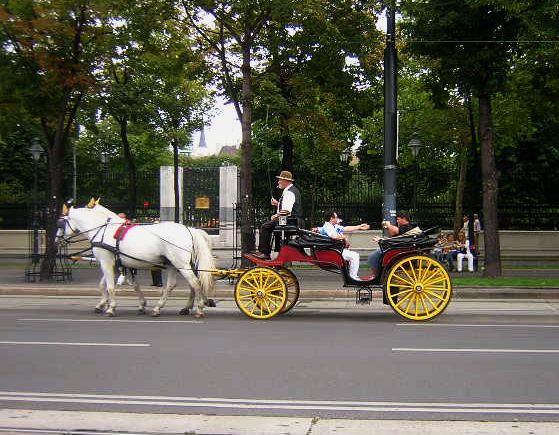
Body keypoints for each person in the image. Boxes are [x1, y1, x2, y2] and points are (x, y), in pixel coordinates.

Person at [252, 170, 303, 260]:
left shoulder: (289, 192)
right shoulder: (292, 190)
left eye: (280, 180)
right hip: (294, 221)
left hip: (289, 222)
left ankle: (265, 252)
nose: (278, 182)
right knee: (268, 225)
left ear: (286, 181)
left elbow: (286, 211)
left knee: (265, 226)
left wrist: (275, 216)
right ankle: (269, 251)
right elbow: (289, 205)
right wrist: (278, 203)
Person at [316, 211, 369, 281]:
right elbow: (334, 236)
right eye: (336, 217)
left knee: (353, 255)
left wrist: (359, 227)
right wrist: (344, 238)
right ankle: (353, 277)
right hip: (334, 251)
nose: (337, 219)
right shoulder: (328, 227)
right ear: (331, 218)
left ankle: (352, 276)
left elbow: (346, 228)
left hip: (337, 249)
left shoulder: (333, 226)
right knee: (355, 256)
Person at [365, 210, 417, 280]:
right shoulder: (407, 228)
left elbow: (395, 231)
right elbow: (394, 235)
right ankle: (377, 275)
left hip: (398, 249)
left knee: (373, 256)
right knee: (376, 253)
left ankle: (375, 275)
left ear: (404, 218)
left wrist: (388, 225)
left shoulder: (407, 227)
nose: (397, 221)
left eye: (398, 219)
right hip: (398, 248)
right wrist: (383, 239)